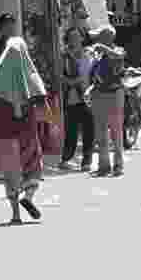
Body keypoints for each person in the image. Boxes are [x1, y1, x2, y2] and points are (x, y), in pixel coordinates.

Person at [0, 34, 46, 224]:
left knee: (10, 173)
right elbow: (41, 100)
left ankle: (15, 214)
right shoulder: (31, 76)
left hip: (4, 134)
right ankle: (28, 197)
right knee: (33, 168)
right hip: (27, 133)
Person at [85, 23, 130, 176]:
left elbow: (118, 57)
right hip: (98, 95)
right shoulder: (97, 55)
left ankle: (118, 165)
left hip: (114, 94)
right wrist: (90, 89)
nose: (97, 39)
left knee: (116, 132)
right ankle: (104, 166)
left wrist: (102, 48)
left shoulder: (118, 50)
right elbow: (96, 76)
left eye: (100, 36)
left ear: (108, 37)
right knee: (101, 132)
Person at [58, 27, 95, 172]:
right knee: (71, 130)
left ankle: (86, 161)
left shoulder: (88, 54)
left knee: (88, 131)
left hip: (87, 97)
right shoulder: (64, 56)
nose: (74, 39)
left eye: (77, 36)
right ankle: (66, 158)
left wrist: (74, 81)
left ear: (81, 38)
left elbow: (88, 74)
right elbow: (60, 76)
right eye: (71, 36)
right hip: (72, 98)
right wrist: (70, 82)